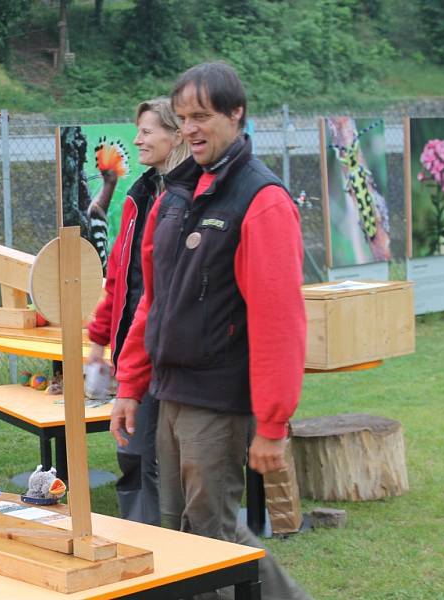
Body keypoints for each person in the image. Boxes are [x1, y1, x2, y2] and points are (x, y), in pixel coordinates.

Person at [111, 62, 311, 599]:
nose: (191, 129)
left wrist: (272, 423)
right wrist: (129, 385)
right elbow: (154, 301)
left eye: (202, 116)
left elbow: (279, 322)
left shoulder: (261, 200)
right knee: (186, 533)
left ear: (236, 114)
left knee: (210, 544)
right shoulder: (176, 194)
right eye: (182, 119)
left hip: (219, 401)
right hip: (168, 393)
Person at [87, 97, 188, 525]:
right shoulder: (137, 195)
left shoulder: (191, 199)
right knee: (131, 451)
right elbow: (120, 279)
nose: (137, 139)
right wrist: (98, 336)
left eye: (147, 131)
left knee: (176, 463)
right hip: (133, 352)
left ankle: (181, 552)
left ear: (176, 135)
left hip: (173, 355)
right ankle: (140, 541)